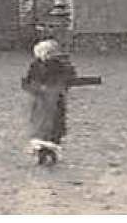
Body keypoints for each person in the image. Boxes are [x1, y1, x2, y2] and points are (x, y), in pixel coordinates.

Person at [21, 38, 95, 166]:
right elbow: (28, 81)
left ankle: (49, 150)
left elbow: (68, 79)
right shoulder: (36, 65)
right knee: (42, 126)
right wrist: (37, 89)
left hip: (53, 101)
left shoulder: (59, 64)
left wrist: (54, 88)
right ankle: (43, 152)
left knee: (53, 125)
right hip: (41, 102)